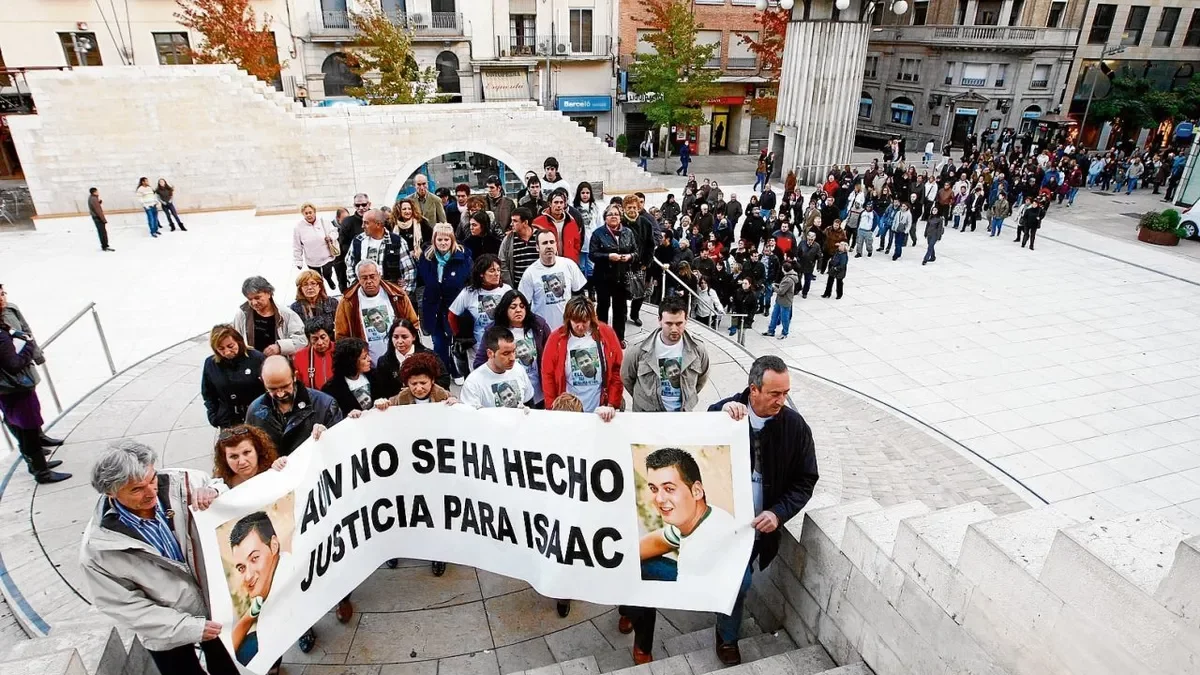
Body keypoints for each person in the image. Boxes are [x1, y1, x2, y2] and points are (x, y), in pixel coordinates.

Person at [80, 441, 237, 674]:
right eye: (136, 489)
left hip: (218, 611)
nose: (151, 491)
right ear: (111, 492)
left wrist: (215, 491)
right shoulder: (98, 549)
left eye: (152, 479)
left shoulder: (186, 482)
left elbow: (226, 492)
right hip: (166, 634)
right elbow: (126, 606)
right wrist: (189, 628)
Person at [702, 356, 819, 665]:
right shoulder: (725, 413)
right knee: (730, 579)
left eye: (785, 393)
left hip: (756, 530)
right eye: (774, 394)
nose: (782, 401)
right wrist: (717, 415)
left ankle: (726, 635)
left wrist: (778, 513)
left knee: (739, 582)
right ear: (753, 390)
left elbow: (806, 479)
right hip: (721, 523)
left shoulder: (795, 427)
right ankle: (723, 626)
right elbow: (695, 448)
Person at [619, 446, 738, 663]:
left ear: (696, 491)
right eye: (654, 489)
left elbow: (735, 580)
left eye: (669, 488)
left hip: (710, 582)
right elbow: (652, 543)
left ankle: (727, 638)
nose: (658, 498)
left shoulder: (718, 527)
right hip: (692, 574)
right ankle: (631, 615)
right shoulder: (687, 520)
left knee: (738, 585)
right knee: (633, 565)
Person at [0, 308, 70, 482]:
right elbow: (14, 364)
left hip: (9, 390)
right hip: (16, 389)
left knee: (25, 428)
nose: (3, 298)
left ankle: (39, 465)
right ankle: (41, 471)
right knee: (28, 430)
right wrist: (28, 347)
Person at [0, 288, 63, 450]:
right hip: (8, 375)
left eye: (3, 293)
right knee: (17, 415)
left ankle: (38, 437)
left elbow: (26, 331)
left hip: (23, 366)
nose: (3, 297)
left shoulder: (11, 309)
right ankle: (32, 451)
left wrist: (36, 354)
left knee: (31, 406)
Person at [621, 298, 709, 412]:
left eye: (679, 324)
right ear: (659, 320)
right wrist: (643, 400)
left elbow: (701, 379)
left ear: (686, 320)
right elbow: (626, 377)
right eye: (669, 323)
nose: (674, 329)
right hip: (647, 416)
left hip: (682, 414)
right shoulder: (638, 349)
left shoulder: (698, 349)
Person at [245, 355, 342, 456]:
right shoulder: (255, 410)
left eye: (285, 386)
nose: (280, 394)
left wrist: (326, 436)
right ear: (262, 381)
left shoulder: (325, 404)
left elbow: (340, 445)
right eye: (272, 389)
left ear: (295, 376)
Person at [541, 296, 623, 412]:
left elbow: (617, 369)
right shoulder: (555, 339)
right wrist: (551, 407)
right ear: (568, 319)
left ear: (592, 318)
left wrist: (611, 404)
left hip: (600, 408)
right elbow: (547, 374)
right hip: (569, 410)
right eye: (575, 321)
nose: (580, 326)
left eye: (585, 321)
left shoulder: (607, 334)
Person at [470, 290, 551, 408]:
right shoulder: (493, 331)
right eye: (513, 307)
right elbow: (479, 363)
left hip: (538, 393)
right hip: (508, 396)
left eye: (522, 306)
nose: (518, 310)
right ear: (505, 310)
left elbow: (551, 356)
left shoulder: (539, 326)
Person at [334, 260, 419, 365]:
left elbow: (413, 323)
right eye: (364, 278)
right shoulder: (348, 301)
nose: (369, 281)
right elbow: (341, 336)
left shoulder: (397, 294)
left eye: (372, 276)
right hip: (367, 366)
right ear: (358, 279)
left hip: (399, 361)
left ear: (379, 275)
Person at [416, 223, 472, 380]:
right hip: (433, 306)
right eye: (439, 239)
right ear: (434, 240)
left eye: (446, 239)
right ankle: (443, 372)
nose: (443, 243)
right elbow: (421, 280)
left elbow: (468, 281)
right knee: (439, 343)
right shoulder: (426, 257)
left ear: (452, 240)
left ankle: (456, 370)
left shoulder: (463, 257)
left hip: (455, 307)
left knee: (454, 341)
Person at [449, 253, 513, 366]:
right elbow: (452, 315)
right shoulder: (469, 292)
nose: (497, 274)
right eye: (492, 271)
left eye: (498, 270)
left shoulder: (506, 290)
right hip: (477, 348)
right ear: (481, 274)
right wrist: (460, 336)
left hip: (503, 345)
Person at [588, 205, 639, 343]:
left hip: (621, 277)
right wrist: (608, 256)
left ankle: (619, 338)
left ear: (620, 216)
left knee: (620, 309)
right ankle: (601, 335)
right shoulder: (598, 233)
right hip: (603, 277)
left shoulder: (628, 232)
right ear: (605, 218)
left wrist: (629, 257)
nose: (614, 216)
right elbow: (592, 255)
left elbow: (636, 252)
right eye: (610, 214)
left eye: (616, 214)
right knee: (603, 307)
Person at [518, 229, 587, 331]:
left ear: (556, 244)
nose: (549, 246)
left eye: (551, 242)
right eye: (544, 243)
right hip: (543, 329)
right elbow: (524, 304)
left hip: (568, 327)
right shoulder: (530, 273)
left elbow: (580, 295)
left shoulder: (569, 265)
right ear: (537, 247)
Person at [201, 324, 266, 429]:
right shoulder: (210, 363)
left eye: (231, 346)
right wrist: (213, 415)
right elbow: (208, 393)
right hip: (228, 420)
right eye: (221, 348)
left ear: (239, 342)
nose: (227, 352)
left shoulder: (256, 358)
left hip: (257, 418)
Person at [374, 318, 451, 399]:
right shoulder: (384, 362)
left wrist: (419, 390)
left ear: (413, 336)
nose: (400, 341)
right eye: (396, 337)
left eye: (404, 337)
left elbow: (444, 380)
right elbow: (381, 390)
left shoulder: (429, 355)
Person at [461, 325, 534, 409]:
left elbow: (529, 402)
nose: (513, 358)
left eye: (513, 351)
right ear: (490, 353)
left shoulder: (518, 369)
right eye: (506, 353)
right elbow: (470, 417)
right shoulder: (473, 382)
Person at [233, 277, 307, 357]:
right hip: (252, 364)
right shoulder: (242, 315)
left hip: (279, 364)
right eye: (250, 299)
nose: (254, 302)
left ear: (269, 293)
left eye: (257, 298)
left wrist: (280, 347)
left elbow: (302, 340)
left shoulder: (287, 314)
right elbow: (235, 340)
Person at [346, 209, 417, 291]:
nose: (362, 226)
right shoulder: (358, 240)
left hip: (390, 293)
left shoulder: (397, 241)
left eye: (366, 223)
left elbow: (410, 270)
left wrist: (404, 293)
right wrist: (356, 288)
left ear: (378, 224)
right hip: (364, 294)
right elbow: (349, 265)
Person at [293, 203, 339, 291]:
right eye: (306, 213)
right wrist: (298, 261)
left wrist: (331, 237)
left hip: (327, 257)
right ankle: (322, 291)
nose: (309, 215)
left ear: (314, 212)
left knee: (327, 273)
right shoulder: (298, 228)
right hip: (312, 260)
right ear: (303, 214)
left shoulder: (324, 222)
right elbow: (297, 245)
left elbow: (335, 232)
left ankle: (328, 279)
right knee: (317, 278)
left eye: (310, 212)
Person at [532, 190, 583, 264]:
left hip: (568, 263)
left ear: (565, 204)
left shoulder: (571, 221)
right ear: (550, 204)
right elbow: (534, 245)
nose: (559, 205)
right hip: (547, 263)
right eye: (556, 202)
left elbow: (577, 243)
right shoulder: (538, 222)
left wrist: (574, 257)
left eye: (561, 202)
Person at [499, 207, 542, 288]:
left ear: (525, 222)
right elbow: (502, 263)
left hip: (540, 284)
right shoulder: (508, 240)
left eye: (515, 221)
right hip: (519, 286)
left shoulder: (540, 236)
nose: (511, 224)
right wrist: (510, 286)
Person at [293, 318, 335, 391]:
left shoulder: (341, 350)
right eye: (315, 339)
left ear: (329, 335)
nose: (320, 343)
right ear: (309, 340)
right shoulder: (300, 357)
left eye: (323, 337)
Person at [762, 262, 798, 339]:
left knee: (785, 318)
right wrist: (778, 285)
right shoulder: (789, 277)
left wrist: (773, 287)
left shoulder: (788, 279)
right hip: (780, 301)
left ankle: (784, 333)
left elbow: (781, 291)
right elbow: (784, 287)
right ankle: (771, 330)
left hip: (785, 301)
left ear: (784, 269)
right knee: (774, 316)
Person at [87, 187, 114, 252]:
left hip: (96, 217)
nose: (98, 192)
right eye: (97, 191)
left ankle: (105, 245)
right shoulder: (94, 199)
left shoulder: (92, 198)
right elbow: (98, 210)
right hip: (98, 218)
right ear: (94, 192)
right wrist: (103, 219)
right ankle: (105, 246)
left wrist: (99, 202)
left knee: (102, 231)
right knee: (102, 232)